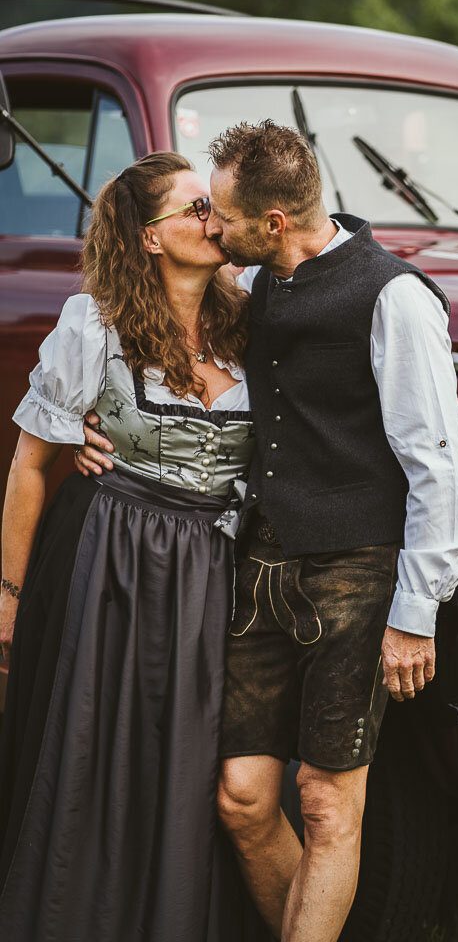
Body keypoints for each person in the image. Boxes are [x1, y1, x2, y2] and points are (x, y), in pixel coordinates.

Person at [77, 121, 458, 942]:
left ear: (275, 224)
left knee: (328, 804)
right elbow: (178, 361)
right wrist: (89, 416)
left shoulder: (393, 296)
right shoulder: (251, 289)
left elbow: (436, 463)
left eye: (220, 215)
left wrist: (415, 614)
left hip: (357, 574)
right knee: (244, 798)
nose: (209, 227)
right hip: (260, 562)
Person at [0, 152, 268, 942]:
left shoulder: (254, 317)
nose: (211, 221)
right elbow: (28, 466)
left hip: (217, 571)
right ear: (148, 239)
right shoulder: (94, 326)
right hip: (113, 562)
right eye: (193, 210)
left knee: (200, 763)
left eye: (210, 207)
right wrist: (7, 597)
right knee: (97, 747)